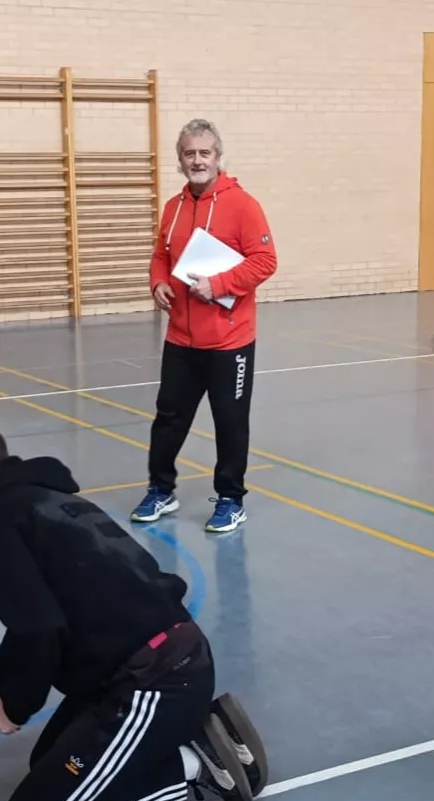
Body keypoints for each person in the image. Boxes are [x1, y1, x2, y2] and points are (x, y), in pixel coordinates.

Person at [0, 423, 268, 801]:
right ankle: (183, 735)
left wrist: (15, 706)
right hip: (155, 661)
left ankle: (195, 766)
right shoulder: (46, 496)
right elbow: (30, 626)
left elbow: (39, 630)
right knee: (45, 765)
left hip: (155, 681)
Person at [133, 119, 277, 533]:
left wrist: (218, 285)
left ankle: (231, 499)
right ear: (180, 159)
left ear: (218, 158)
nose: (197, 160)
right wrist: (157, 281)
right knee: (169, 418)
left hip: (229, 342)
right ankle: (161, 490)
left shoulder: (242, 205)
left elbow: (265, 261)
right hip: (181, 337)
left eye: (204, 153)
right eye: (189, 153)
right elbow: (161, 254)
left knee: (229, 422)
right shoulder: (174, 207)